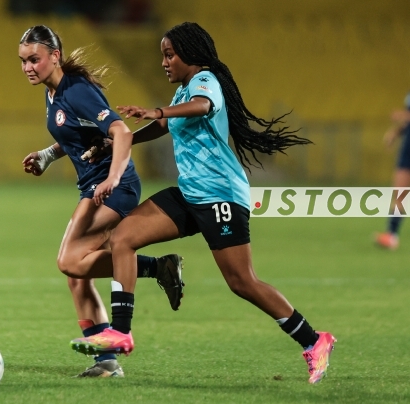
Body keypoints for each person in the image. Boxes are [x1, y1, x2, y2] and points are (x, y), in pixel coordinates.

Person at [69, 22, 336, 384]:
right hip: (190, 192)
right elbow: (165, 126)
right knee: (124, 237)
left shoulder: (205, 80)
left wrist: (157, 111)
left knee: (242, 281)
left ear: (190, 54)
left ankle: (315, 340)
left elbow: (203, 106)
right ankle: (121, 332)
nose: (164, 62)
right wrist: (121, 141)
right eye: (163, 55)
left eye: (170, 55)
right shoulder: (182, 91)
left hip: (220, 195)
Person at [18, 25, 185, 378]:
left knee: (69, 261)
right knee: (77, 277)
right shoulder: (53, 92)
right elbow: (76, 133)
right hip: (94, 186)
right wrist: (48, 155)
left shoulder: (77, 90)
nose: (28, 67)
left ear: (55, 56)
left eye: (34, 59)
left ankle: (158, 268)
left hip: (112, 187)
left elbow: (120, 131)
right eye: (23, 61)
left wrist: (112, 177)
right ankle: (106, 362)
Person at [375, 91, 410, 250]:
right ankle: (391, 235)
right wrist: (395, 133)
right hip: (407, 150)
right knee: (399, 194)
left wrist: (403, 116)